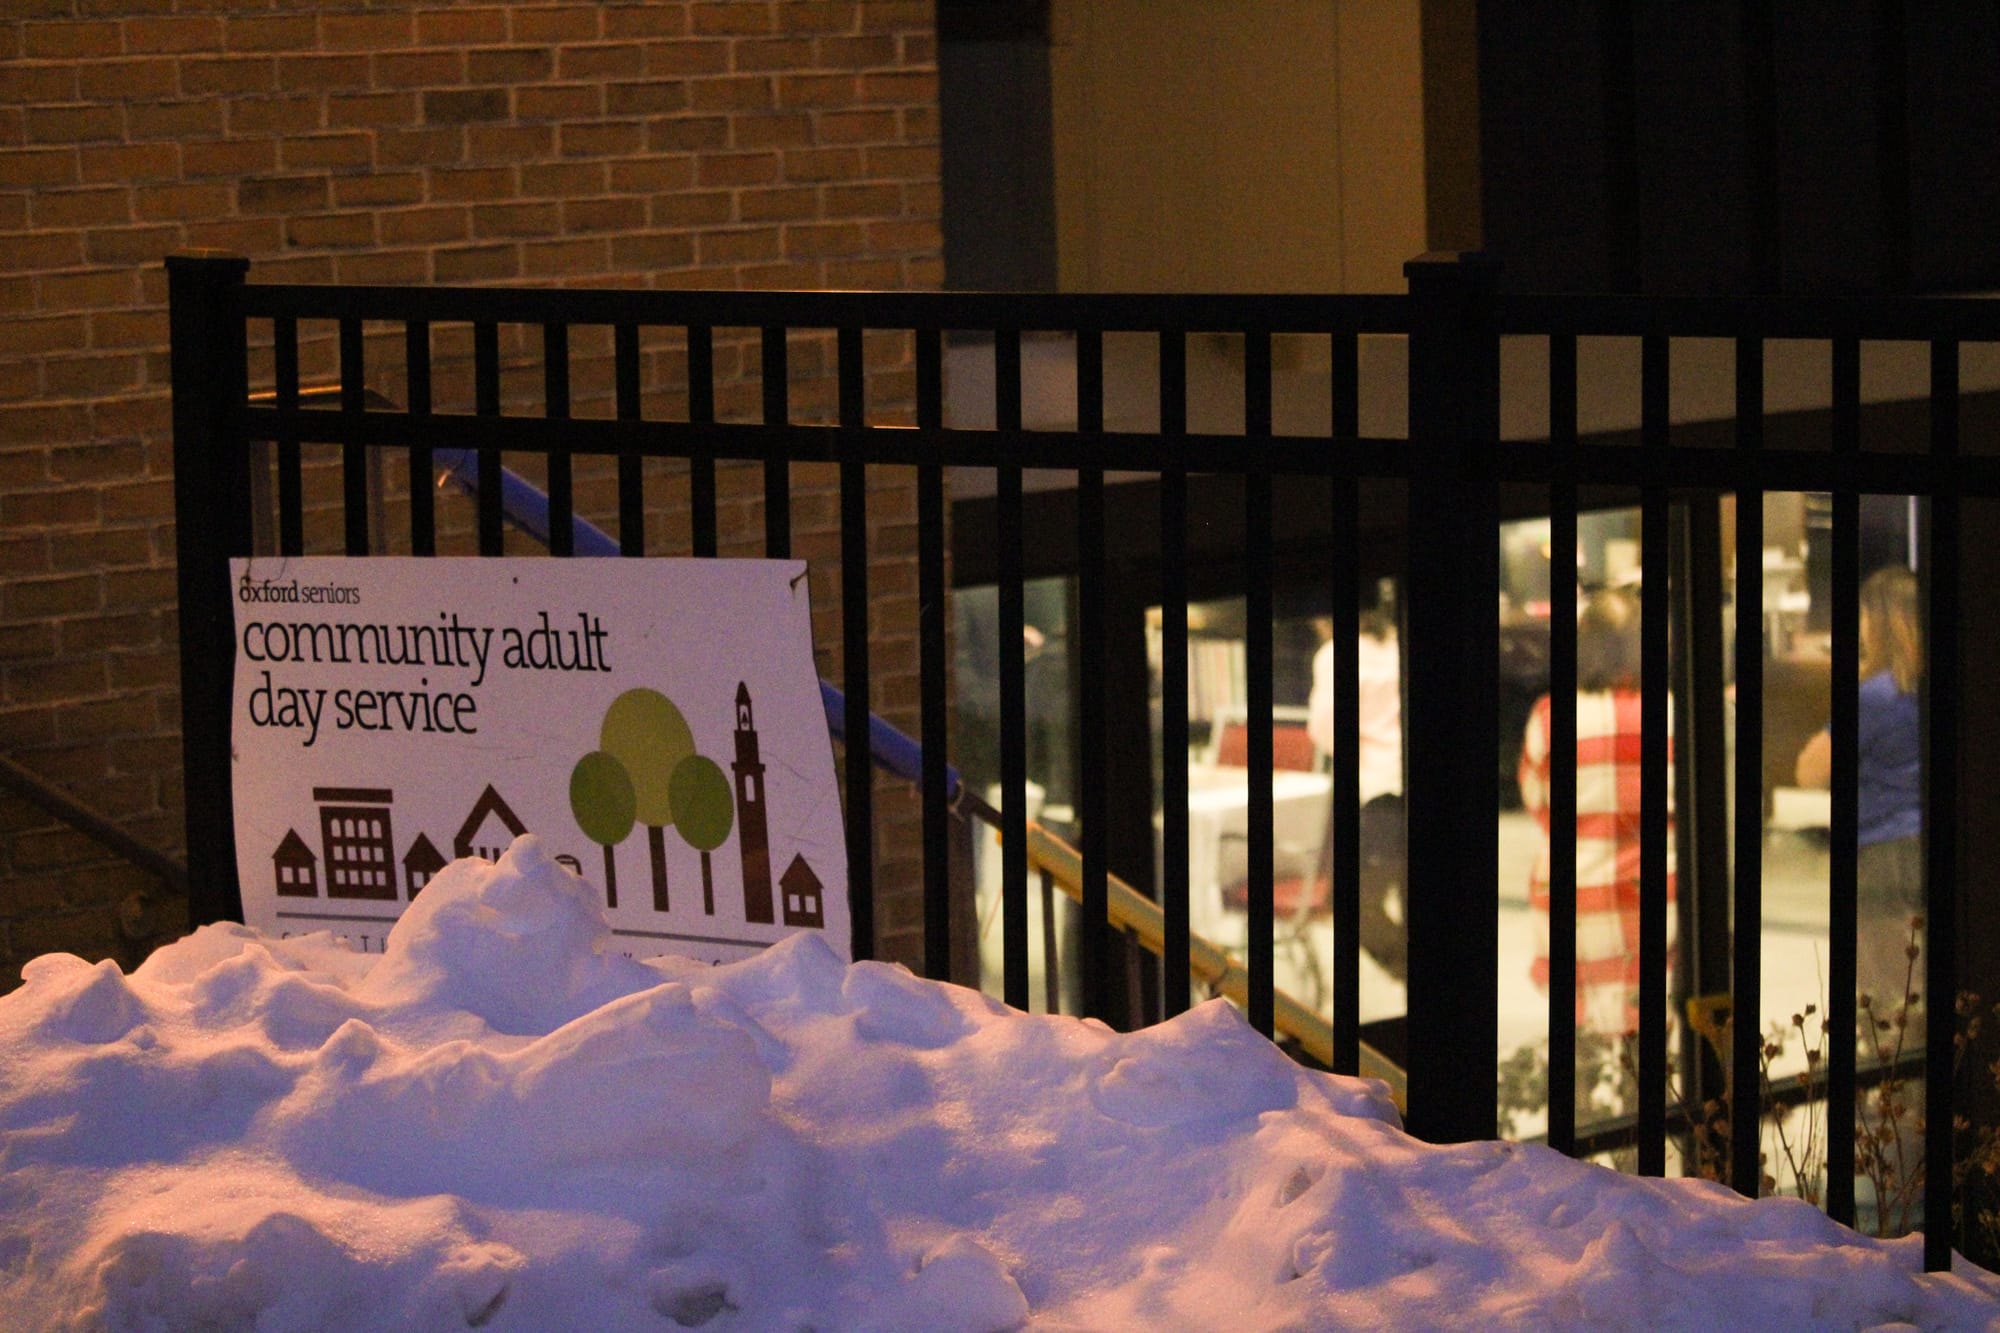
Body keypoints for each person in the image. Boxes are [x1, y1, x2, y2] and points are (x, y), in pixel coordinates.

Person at [1518, 586, 1675, 1037]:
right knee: (1650, 1042)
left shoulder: (1551, 716)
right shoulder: (1670, 714)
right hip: (1652, 901)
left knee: (1580, 1049)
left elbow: (1535, 799)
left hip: (1572, 897)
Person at [1794, 563, 1924, 1028]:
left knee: (1885, 1000)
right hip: (1926, 848)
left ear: (1881, 621)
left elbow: (1810, 771)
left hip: (1880, 857)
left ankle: (1891, 1098)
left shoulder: (1873, 698)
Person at [1306, 605, 1406, 982]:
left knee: (1352, 905)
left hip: (1376, 791)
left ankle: (1409, 970)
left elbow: (1325, 730)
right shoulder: (1397, 644)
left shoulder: (1336, 655)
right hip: (1406, 782)